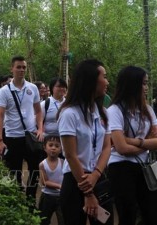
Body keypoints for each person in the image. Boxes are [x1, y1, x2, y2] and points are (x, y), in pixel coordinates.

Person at [57, 59, 113, 225]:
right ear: (90, 81)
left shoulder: (102, 112)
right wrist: (88, 194)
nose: (107, 81)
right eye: (104, 77)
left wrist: (96, 174)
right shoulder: (69, 114)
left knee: (105, 221)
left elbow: (106, 146)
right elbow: (70, 155)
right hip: (76, 181)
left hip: (98, 179)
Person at [107, 66, 157, 225]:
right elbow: (121, 148)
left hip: (145, 166)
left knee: (151, 212)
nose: (146, 87)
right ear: (132, 85)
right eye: (143, 83)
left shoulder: (148, 110)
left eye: (146, 83)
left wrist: (133, 140)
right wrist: (147, 142)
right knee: (128, 212)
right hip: (121, 167)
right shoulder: (115, 111)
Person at [0, 55, 43, 198]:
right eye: (18, 67)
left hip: (30, 137)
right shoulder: (4, 92)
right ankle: (16, 199)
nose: (21, 70)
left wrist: (40, 128)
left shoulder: (32, 88)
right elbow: (0, 116)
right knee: (14, 170)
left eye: (24, 67)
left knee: (35, 170)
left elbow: (38, 111)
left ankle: (30, 198)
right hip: (13, 137)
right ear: (12, 69)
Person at [38, 135, 64, 225]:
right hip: (47, 196)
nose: (53, 148)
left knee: (63, 220)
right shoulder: (42, 164)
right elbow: (44, 182)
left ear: (61, 149)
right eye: (51, 145)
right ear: (45, 147)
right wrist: (60, 186)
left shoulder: (63, 162)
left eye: (57, 146)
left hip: (61, 197)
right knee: (43, 220)